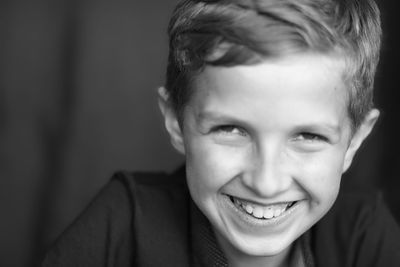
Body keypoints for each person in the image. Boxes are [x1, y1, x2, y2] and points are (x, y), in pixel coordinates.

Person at [42, 0, 400, 266]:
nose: (266, 182)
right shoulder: (124, 224)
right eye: (231, 129)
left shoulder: (362, 236)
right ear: (175, 122)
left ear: (354, 141)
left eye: (308, 136)